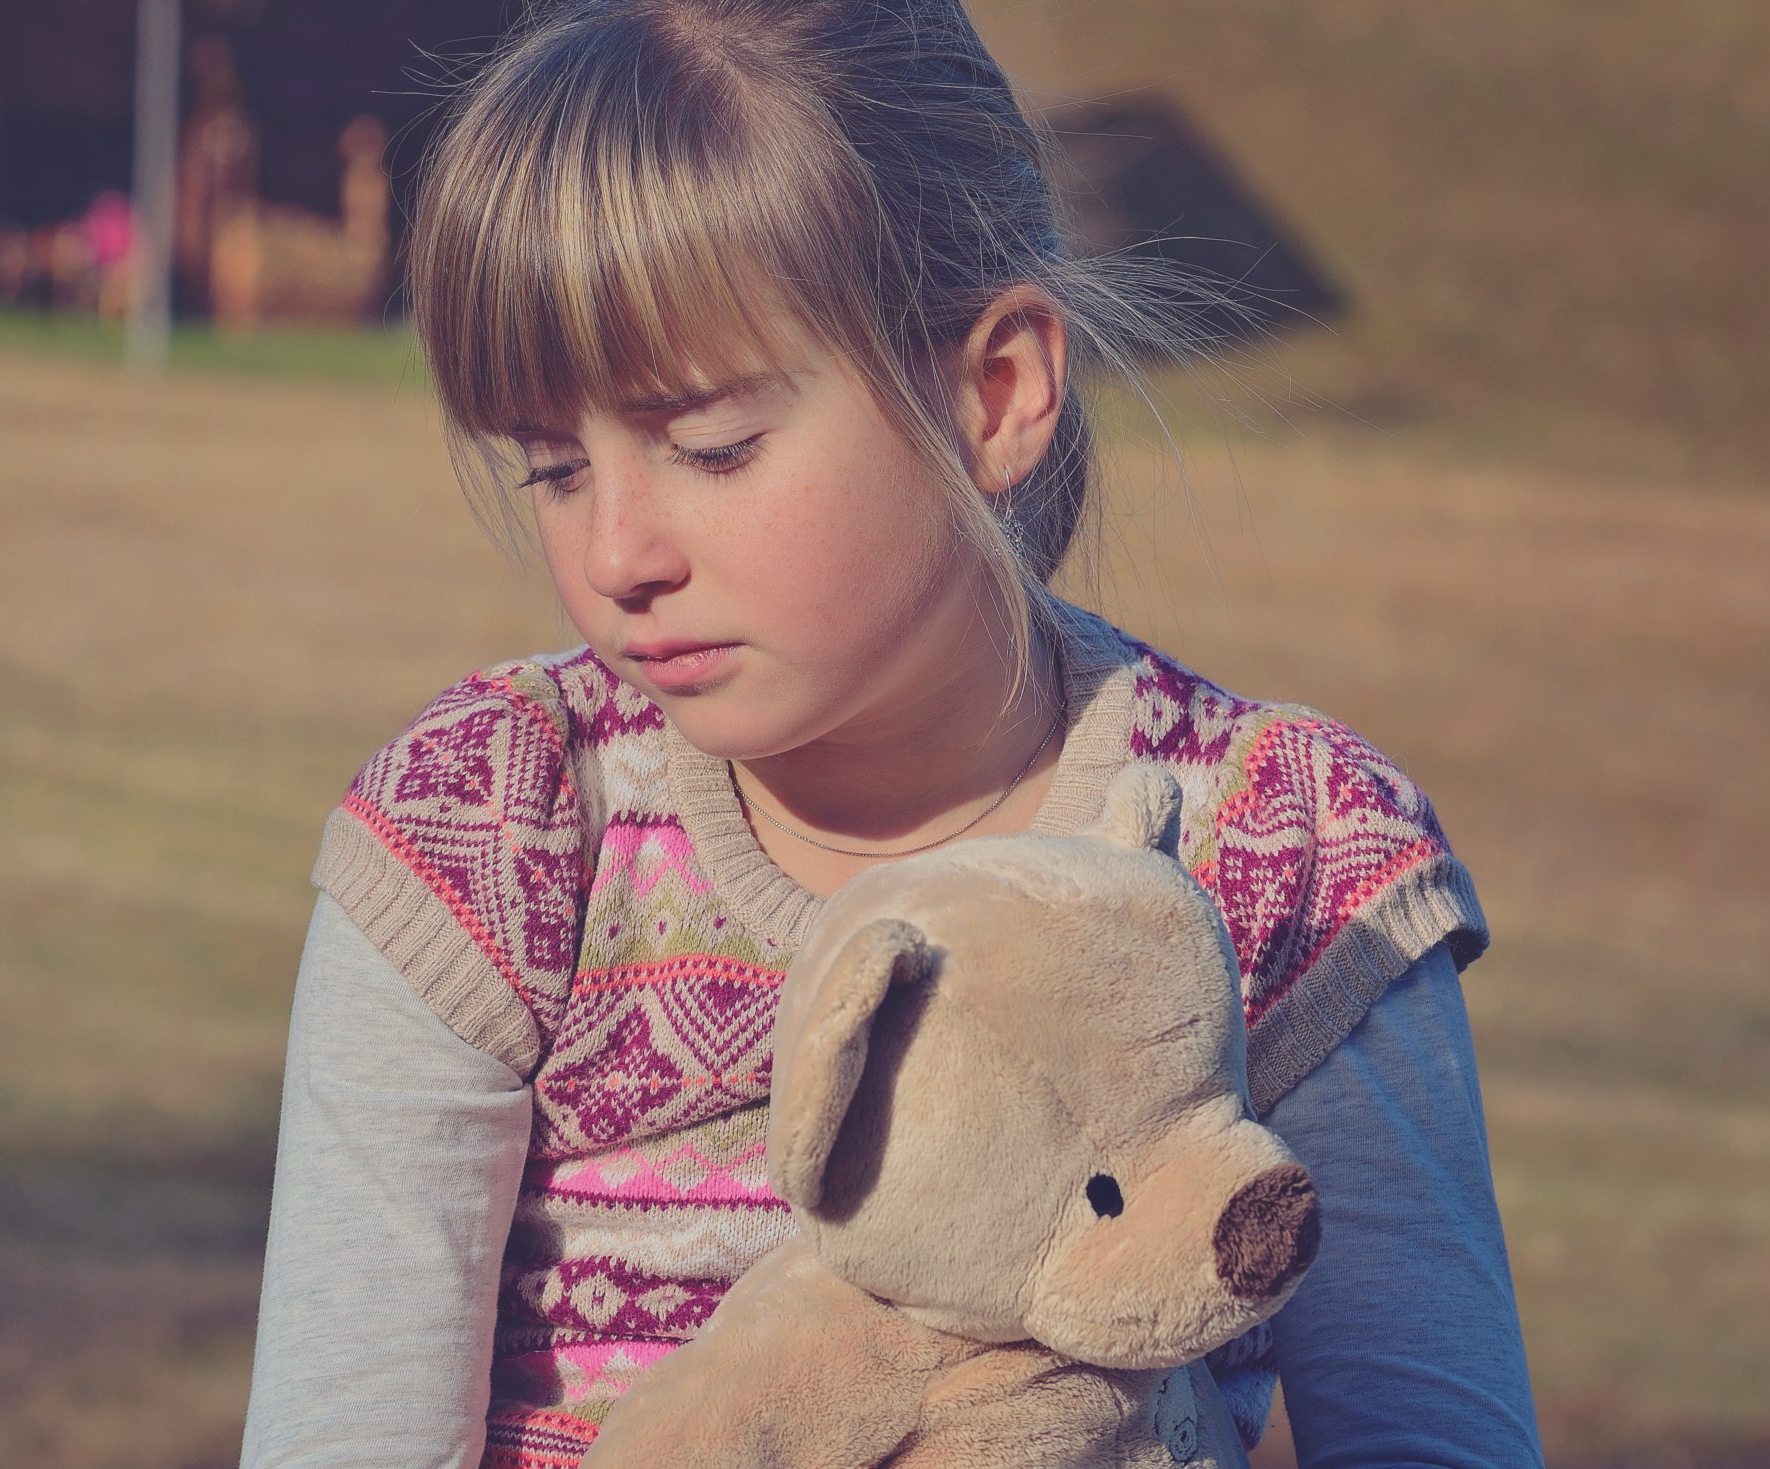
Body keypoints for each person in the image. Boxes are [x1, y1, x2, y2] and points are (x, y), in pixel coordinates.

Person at [238, 2, 1545, 1466]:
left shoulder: (1288, 854)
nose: (617, 550)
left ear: (994, 393)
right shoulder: (494, 832)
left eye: (710, 444)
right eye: (551, 465)